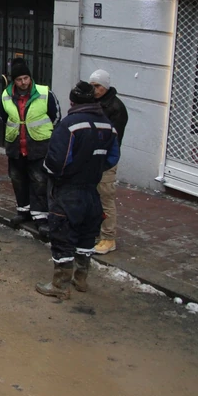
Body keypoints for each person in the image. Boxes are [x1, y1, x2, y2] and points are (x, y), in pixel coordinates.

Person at [37, 81, 120, 299]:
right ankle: (81, 279)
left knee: (63, 237)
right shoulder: (108, 126)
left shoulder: (69, 125)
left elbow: (56, 162)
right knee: (86, 236)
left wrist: (57, 175)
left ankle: (59, 286)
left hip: (69, 191)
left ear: (72, 101)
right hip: (93, 191)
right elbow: (112, 158)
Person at [0, 57, 62, 239]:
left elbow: (56, 116)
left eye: (26, 78)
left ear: (30, 78)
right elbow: (4, 117)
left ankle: (41, 217)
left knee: (39, 181)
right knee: (17, 179)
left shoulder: (44, 93)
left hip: (39, 146)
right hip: (16, 146)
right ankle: (23, 210)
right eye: (19, 79)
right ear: (14, 80)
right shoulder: (6, 95)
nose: (23, 82)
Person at [89, 69, 129, 254]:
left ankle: (108, 238)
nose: (94, 89)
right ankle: (98, 231)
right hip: (92, 157)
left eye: (97, 86)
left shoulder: (115, 107)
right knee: (94, 196)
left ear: (105, 86)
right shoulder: (95, 103)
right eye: (92, 86)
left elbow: (112, 137)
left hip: (105, 160)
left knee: (105, 197)